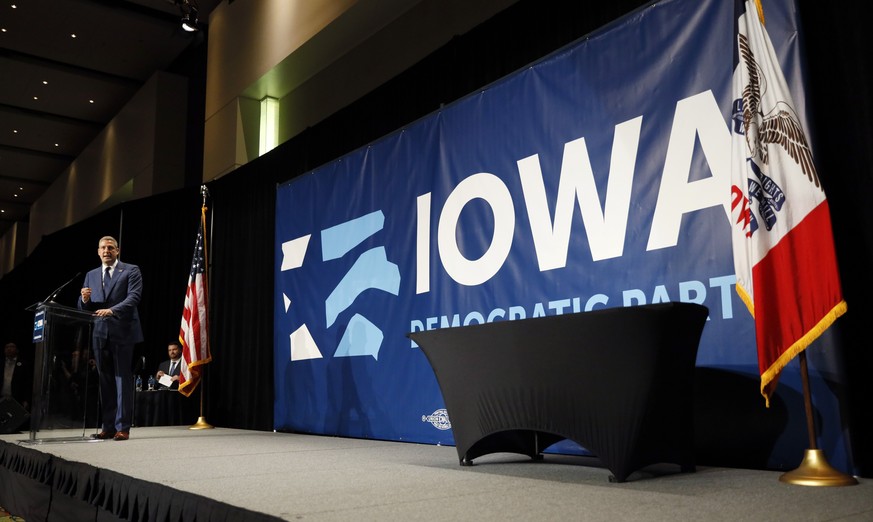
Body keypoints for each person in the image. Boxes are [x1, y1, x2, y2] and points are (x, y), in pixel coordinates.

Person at [78, 236, 144, 441]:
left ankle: (122, 427)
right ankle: (107, 426)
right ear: (98, 251)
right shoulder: (91, 274)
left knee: (122, 379)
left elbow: (134, 297)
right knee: (104, 380)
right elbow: (83, 307)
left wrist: (112, 310)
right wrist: (84, 299)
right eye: (103, 248)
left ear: (117, 251)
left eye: (110, 248)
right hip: (99, 333)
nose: (106, 251)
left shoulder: (131, 270)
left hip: (123, 331)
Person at [1, 342, 31, 411]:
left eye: (12, 347)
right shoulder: (1, 363)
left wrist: (26, 400)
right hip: (1, 399)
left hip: (17, 399)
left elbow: (27, 383)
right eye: (7, 347)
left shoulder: (23, 364)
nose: (9, 349)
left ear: (17, 350)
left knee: (15, 419)